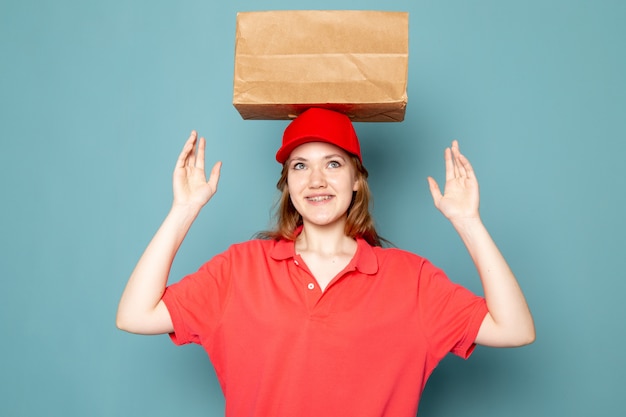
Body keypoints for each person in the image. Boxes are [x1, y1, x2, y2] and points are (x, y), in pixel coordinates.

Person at [116, 107, 535, 416]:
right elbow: (136, 314)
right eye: (301, 166)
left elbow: (514, 328)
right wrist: (182, 211)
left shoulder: (412, 280)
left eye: (333, 164)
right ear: (288, 185)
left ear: (356, 180)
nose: (316, 180)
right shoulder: (239, 270)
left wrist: (469, 223)